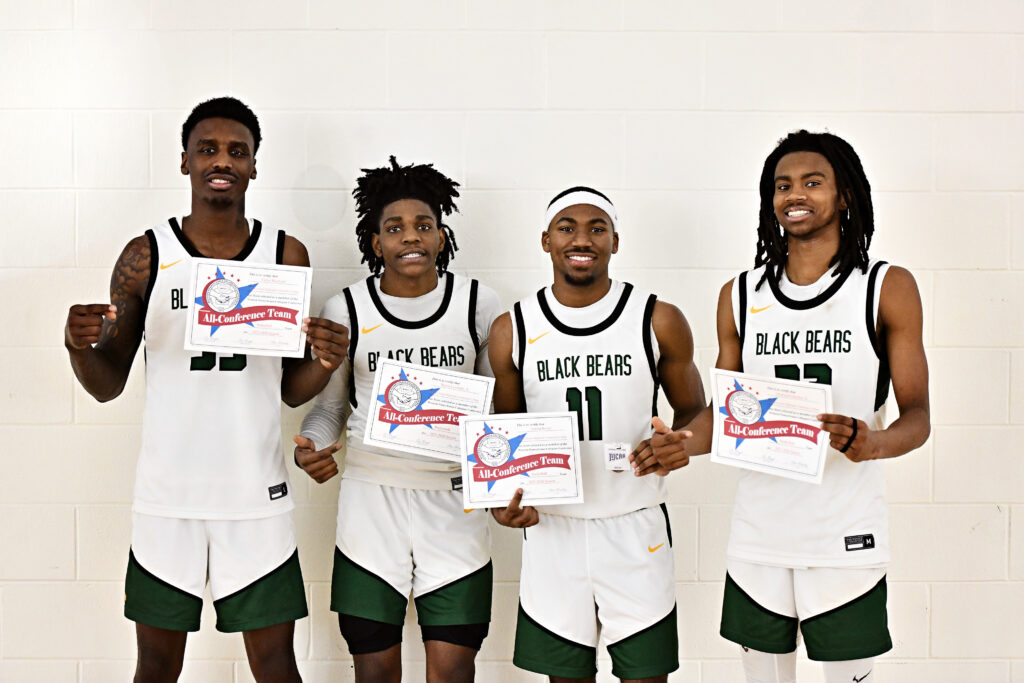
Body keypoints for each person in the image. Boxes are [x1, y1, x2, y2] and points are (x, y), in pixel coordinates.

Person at [63, 96, 348, 683]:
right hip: (168, 497)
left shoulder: (285, 254)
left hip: (255, 495)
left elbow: (291, 390)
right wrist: (78, 347)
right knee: (156, 666)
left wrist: (325, 361)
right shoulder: (147, 255)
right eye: (208, 149)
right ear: (185, 161)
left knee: (276, 665)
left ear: (254, 165)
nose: (222, 161)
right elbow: (107, 385)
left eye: (237, 151)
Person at [636, 130, 931, 683]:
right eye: (782, 185)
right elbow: (726, 412)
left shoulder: (884, 286)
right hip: (759, 534)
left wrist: (874, 443)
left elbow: (918, 416)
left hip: (845, 533)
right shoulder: (740, 295)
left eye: (813, 182)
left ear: (845, 195)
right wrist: (684, 443)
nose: (795, 194)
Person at [295, 157, 502, 683]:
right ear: (375, 242)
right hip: (371, 501)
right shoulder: (346, 308)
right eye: (394, 228)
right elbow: (331, 408)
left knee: (453, 671)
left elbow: (497, 413)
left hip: (454, 502)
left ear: (441, 236)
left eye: (424, 225)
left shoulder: (479, 304)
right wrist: (311, 445)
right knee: (374, 672)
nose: (411, 236)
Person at [488, 186, 707, 682]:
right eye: (567, 227)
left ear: (615, 241)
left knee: (646, 675)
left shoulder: (657, 318)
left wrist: (681, 444)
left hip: (634, 523)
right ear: (546, 240)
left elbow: (693, 411)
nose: (581, 239)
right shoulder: (512, 328)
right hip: (553, 529)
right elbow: (504, 439)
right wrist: (502, 504)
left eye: (597, 228)